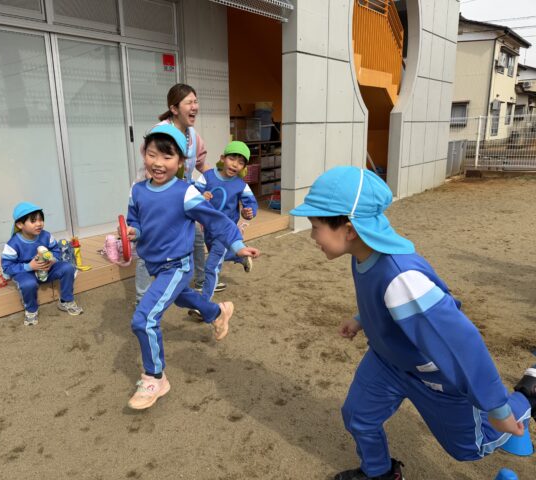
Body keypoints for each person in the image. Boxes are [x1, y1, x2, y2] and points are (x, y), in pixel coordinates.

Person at [289, 166, 534, 480]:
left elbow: (461, 345)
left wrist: (498, 409)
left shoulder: (402, 280)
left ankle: (527, 396)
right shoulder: (362, 254)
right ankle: (379, 473)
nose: (312, 236)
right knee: (359, 416)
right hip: (387, 360)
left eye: (315, 227)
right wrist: (361, 319)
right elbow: (386, 304)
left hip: (432, 374)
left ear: (349, 229)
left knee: (470, 448)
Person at [124, 124, 260, 410]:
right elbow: (135, 221)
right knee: (180, 296)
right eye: (152, 155)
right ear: (143, 154)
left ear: (181, 162)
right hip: (154, 264)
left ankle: (155, 378)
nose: (158, 163)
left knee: (143, 320)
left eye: (167, 157)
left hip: (177, 265)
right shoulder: (137, 191)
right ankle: (217, 312)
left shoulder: (185, 192)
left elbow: (217, 220)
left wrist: (237, 246)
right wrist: (131, 233)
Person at [134, 83, 225, 306]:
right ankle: (142, 297)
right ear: (174, 109)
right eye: (189, 102)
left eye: (196, 101)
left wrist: (220, 181)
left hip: (181, 196)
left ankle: (200, 282)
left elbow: (202, 164)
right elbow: (152, 167)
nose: (195, 106)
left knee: (196, 237)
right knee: (149, 244)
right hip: (155, 197)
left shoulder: (193, 136)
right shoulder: (160, 132)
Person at [193, 140, 258, 304]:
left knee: (211, 266)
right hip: (208, 229)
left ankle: (204, 304)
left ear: (244, 168)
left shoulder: (241, 185)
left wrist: (248, 212)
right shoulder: (207, 176)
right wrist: (201, 196)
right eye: (232, 158)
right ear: (223, 158)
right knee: (217, 255)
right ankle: (241, 258)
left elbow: (250, 204)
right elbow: (192, 193)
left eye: (241, 162)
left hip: (226, 231)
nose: (235, 164)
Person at [1, 202, 83, 326]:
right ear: (20, 224)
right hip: (26, 273)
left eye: (41, 220)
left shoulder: (46, 235)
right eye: (33, 221)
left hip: (47, 269)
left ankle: (66, 301)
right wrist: (29, 266)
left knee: (68, 268)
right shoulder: (13, 244)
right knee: (28, 284)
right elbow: (7, 267)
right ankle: (31, 310)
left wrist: (53, 260)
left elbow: (56, 251)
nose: (39, 224)